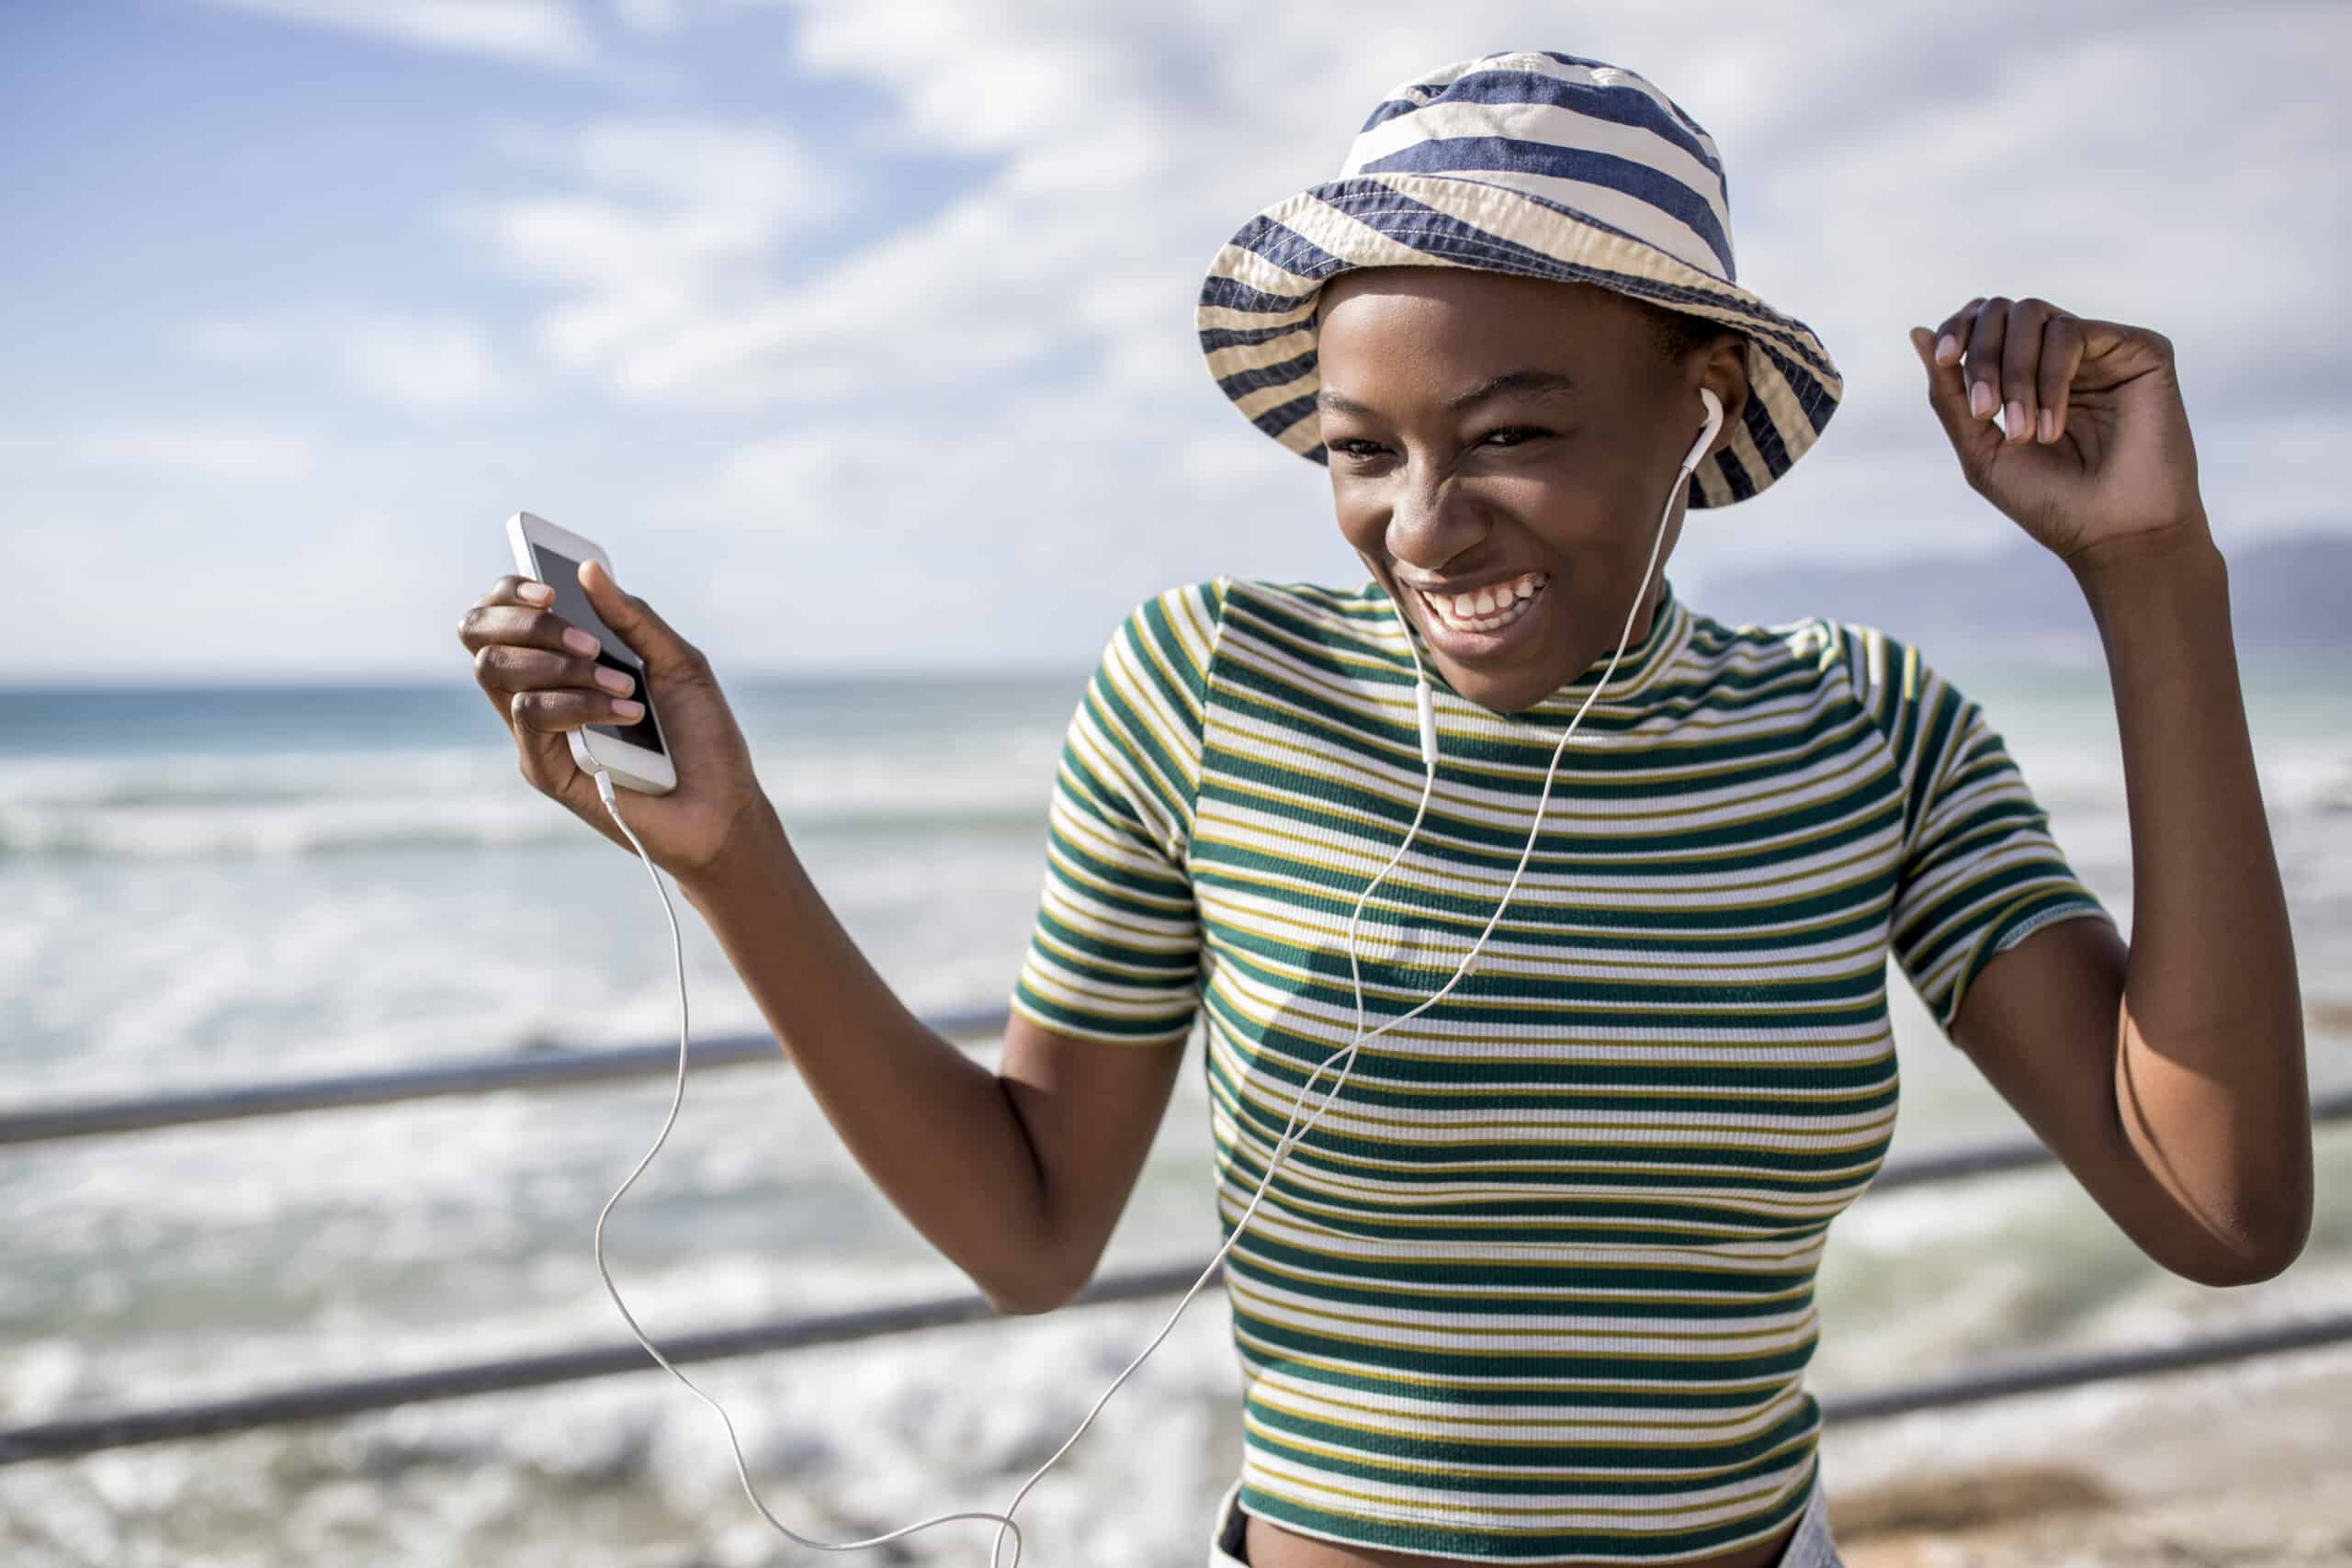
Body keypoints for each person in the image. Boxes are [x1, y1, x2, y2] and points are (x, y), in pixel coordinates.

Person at [456, 49, 2312, 1568]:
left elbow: (2215, 1210)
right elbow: (1026, 1230)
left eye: (1508, 433)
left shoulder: (1870, 730)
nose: (1422, 527)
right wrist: (733, 855)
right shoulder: (1204, 687)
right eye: (1361, 450)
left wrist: (2152, 575)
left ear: (1702, 398)